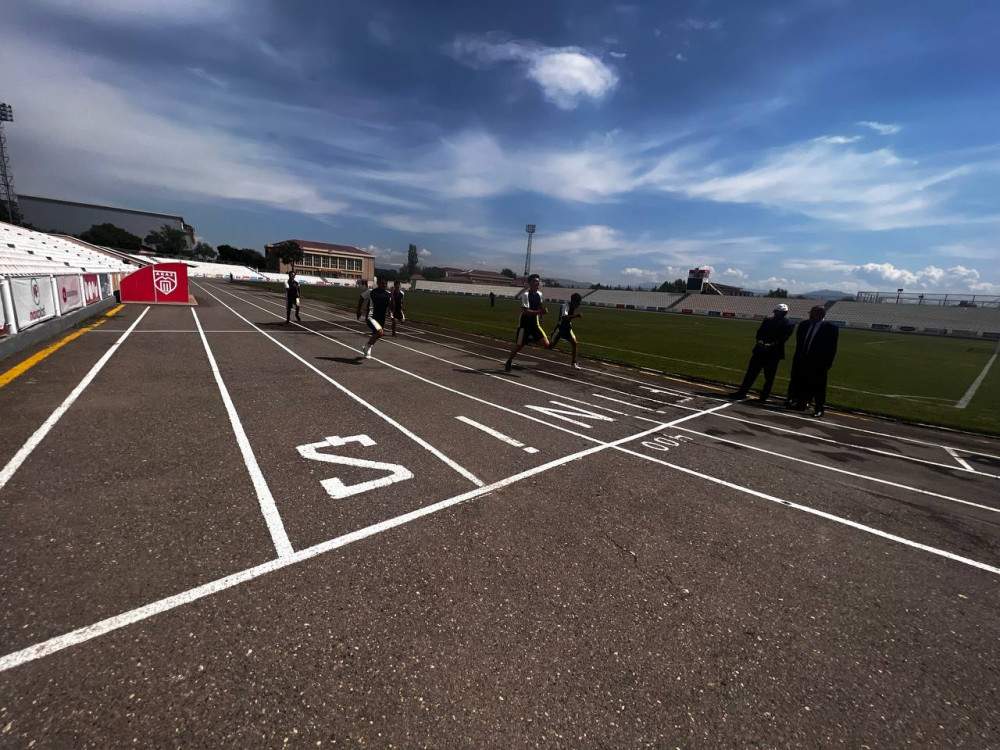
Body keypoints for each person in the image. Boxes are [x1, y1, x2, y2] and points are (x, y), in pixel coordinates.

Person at [728, 303, 795, 403]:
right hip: (759, 351)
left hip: (773, 354)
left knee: (769, 377)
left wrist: (770, 345)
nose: (777, 313)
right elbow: (759, 332)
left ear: (784, 313)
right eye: (776, 311)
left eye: (779, 312)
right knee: (750, 373)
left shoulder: (789, 324)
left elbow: (783, 338)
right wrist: (759, 341)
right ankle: (742, 392)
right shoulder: (768, 320)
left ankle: (764, 396)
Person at [787, 305, 839, 417]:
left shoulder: (831, 328)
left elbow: (832, 348)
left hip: (819, 362)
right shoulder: (804, 325)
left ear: (820, 314)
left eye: (812, 313)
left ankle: (819, 408)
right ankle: (801, 403)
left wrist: (828, 363)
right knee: (801, 382)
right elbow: (800, 343)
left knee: (819, 386)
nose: (810, 315)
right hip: (802, 359)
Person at [504, 274, 549, 372]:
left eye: (539, 281)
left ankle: (530, 339)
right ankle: (509, 361)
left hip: (535, 323)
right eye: (535, 281)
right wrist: (540, 312)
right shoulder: (525, 295)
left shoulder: (540, 294)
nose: (538, 283)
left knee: (546, 344)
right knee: (519, 346)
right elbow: (526, 311)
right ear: (530, 283)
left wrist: (541, 316)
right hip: (524, 324)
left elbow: (540, 306)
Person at [356, 277, 392, 359]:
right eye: (382, 283)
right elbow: (361, 297)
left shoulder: (388, 294)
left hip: (381, 318)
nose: (384, 285)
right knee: (380, 332)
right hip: (371, 317)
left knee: (377, 335)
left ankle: (367, 348)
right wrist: (358, 311)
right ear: (378, 283)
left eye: (386, 283)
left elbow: (391, 306)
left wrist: (392, 298)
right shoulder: (371, 292)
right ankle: (367, 347)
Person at [548, 292, 584, 369]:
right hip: (560, 328)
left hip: (568, 328)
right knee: (550, 346)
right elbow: (564, 317)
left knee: (575, 343)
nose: (578, 305)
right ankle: (535, 340)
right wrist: (576, 316)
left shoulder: (573, 306)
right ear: (574, 301)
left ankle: (574, 363)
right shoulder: (565, 306)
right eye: (578, 303)